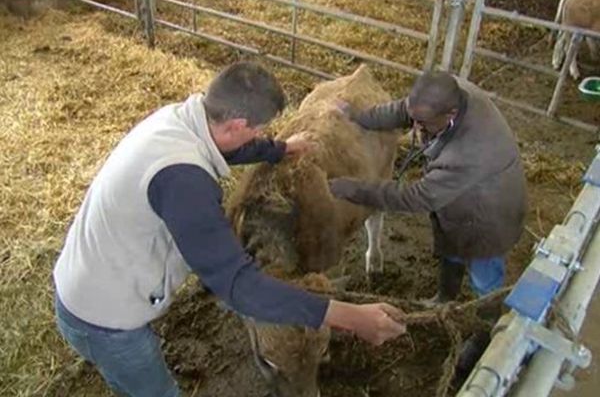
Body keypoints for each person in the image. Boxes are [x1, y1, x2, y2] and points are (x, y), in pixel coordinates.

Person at [53, 62, 407, 397]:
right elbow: (238, 285)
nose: (260, 135)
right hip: (105, 321)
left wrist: (279, 149)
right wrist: (350, 315)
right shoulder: (185, 181)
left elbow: (228, 148)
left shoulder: (176, 122)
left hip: (84, 279)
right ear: (237, 124)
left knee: (124, 383)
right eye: (258, 129)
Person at [329, 70, 527, 370]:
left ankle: (483, 335)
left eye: (423, 124)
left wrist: (351, 188)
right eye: (415, 119)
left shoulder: (467, 152)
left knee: (485, 277)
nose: (415, 127)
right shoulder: (448, 93)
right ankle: (444, 297)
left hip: (490, 214)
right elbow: (402, 111)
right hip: (458, 203)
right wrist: (360, 117)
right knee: (451, 245)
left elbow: (412, 197)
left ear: (451, 114)